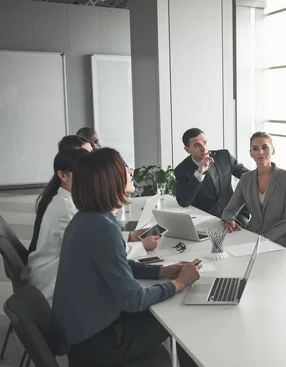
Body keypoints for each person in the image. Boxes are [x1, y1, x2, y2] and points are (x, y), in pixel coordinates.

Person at [51, 148, 200, 367]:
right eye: (124, 168)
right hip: (96, 344)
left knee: (166, 310)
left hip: (83, 332)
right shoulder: (102, 226)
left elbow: (116, 264)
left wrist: (161, 271)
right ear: (109, 180)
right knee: (178, 314)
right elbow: (134, 300)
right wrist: (179, 283)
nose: (130, 171)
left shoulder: (88, 218)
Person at [22, 148, 158, 302]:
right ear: (62, 175)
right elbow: (101, 250)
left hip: (63, 280)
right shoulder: (68, 210)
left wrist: (131, 236)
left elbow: (99, 245)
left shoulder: (73, 205)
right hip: (54, 284)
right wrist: (141, 246)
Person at [222, 132, 286, 250]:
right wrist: (230, 220)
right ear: (251, 153)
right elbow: (230, 210)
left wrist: (265, 237)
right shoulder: (245, 179)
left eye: (265, 147)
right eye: (255, 149)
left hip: (277, 240)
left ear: (273, 150)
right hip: (251, 236)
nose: (260, 152)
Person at [174, 128, 251, 226]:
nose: (203, 148)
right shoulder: (182, 170)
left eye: (204, 143)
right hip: (206, 219)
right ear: (187, 149)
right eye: (197, 145)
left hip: (234, 214)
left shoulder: (224, 156)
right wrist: (199, 173)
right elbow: (183, 202)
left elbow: (247, 175)